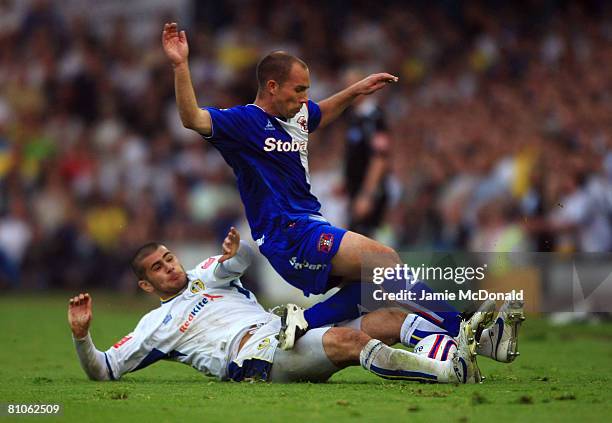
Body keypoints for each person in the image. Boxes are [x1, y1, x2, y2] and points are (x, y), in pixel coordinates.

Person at [161, 23, 482, 350]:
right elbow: (192, 118)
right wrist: (179, 64)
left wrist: (356, 90)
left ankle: (302, 321)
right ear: (272, 87)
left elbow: (321, 112)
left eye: (307, 90)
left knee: (370, 285)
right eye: (299, 90)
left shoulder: (298, 115)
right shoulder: (242, 123)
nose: (305, 99)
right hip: (285, 233)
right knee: (384, 260)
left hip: (309, 224)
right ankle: (461, 326)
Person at [68, 228, 522, 384]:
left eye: (168, 257)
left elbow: (241, 261)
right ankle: (447, 370)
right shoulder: (156, 324)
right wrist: (82, 336)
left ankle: (467, 347)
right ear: (147, 285)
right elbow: (104, 370)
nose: (170, 267)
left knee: (388, 312)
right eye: (158, 268)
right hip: (255, 358)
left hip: (282, 330)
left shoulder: (208, 272)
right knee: (350, 339)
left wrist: (237, 250)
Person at [342, 69, 391, 237]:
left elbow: (380, 158)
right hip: (356, 192)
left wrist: (367, 195)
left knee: (366, 246)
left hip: (369, 193)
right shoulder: (355, 116)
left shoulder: (374, 117)